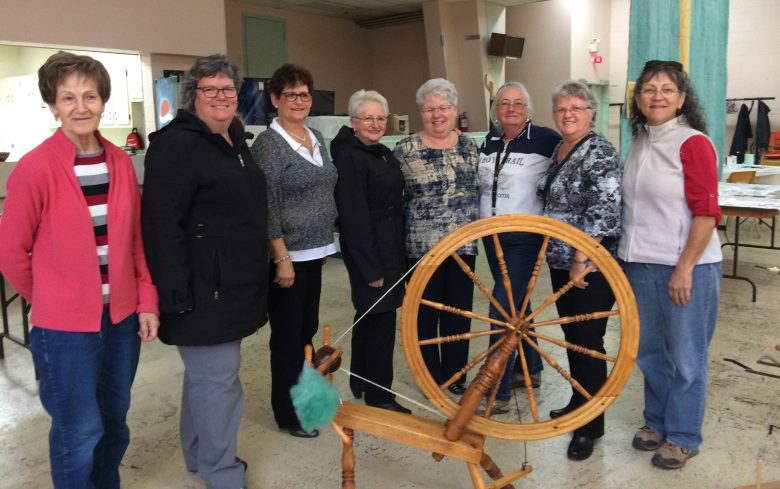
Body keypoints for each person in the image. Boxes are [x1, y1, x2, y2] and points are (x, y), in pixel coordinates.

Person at [0, 51, 159, 489]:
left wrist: (145, 300)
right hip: (64, 329)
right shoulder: (35, 167)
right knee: (79, 430)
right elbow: (11, 251)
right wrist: (50, 297)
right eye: (68, 98)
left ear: (103, 100)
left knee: (115, 422)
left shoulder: (121, 163)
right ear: (52, 104)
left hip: (122, 319)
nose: (80, 106)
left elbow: (135, 243)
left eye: (89, 96)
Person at [142, 54, 268, 489]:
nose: (221, 97)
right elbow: (161, 225)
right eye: (210, 89)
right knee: (219, 383)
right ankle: (222, 472)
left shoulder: (234, 138)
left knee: (206, 378)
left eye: (228, 89)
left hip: (231, 284)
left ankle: (200, 456)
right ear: (193, 96)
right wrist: (173, 294)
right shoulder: (176, 145)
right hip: (200, 289)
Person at [620, 60, 722, 470]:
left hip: (687, 267)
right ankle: (657, 422)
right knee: (649, 353)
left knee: (686, 357)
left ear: (681, 98)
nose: (656, 96)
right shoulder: (640, 140)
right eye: (648, 89)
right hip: (641, 265)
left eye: (666, 89)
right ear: (638, 98)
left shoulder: (692, 142)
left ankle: (683, 436)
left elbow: (707, 212)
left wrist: (685, 268)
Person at [250, 63, 338, 438]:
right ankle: (288, 414)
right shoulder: (268, 146)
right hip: (288, 258)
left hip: (316, 251)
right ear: (275, 99)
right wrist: (282, 257)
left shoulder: (315, 135)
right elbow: (266, 206)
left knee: (306, 330)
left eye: (304, 94)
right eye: (290, 95)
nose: (299, 101)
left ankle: (307, 402)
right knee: (288, 338)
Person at [538, 80, 621, 461]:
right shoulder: (562, 147)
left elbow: (604, 211)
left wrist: (580, 259)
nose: (567, 114)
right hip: (562, 262)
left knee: (588, 341)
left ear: (591, 112)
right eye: (560, 108)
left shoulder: (599, 151)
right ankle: (578, 401)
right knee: (573, 337)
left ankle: (589, 427)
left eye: (576, 107)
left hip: (590, 265)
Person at [478, 81, 561, 413]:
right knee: (516, 304)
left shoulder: (545, 139)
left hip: (524, 238)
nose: (510, 108)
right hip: (490, 236)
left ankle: (496, 388)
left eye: (517, 103)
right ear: (496, 110)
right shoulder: (489, 141)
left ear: (528, 109)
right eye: (503, 103)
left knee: (502, 306)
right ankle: (532, 368)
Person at [393, 78, 480, 396]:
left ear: (455, 110)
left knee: (458, 314)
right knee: (425, 315)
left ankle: (456, 374)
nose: (437, 114)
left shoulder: (470, 147)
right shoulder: (405, 149)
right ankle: (429, 376)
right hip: (420, 247)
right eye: (430, 109)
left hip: (463, 246)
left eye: (443, 107)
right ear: (421, 113)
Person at [331, 89, 411, 414]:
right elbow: (353, 217)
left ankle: (362, 381)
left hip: (388, 243)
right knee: (381, 321)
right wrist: (370, 267)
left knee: (368, 315)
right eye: (368, 118)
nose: (376, 124)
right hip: (372, 250)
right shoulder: (350, 157)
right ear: (353, 122)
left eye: (380, 118)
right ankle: (381, 395)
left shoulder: (376, 151)